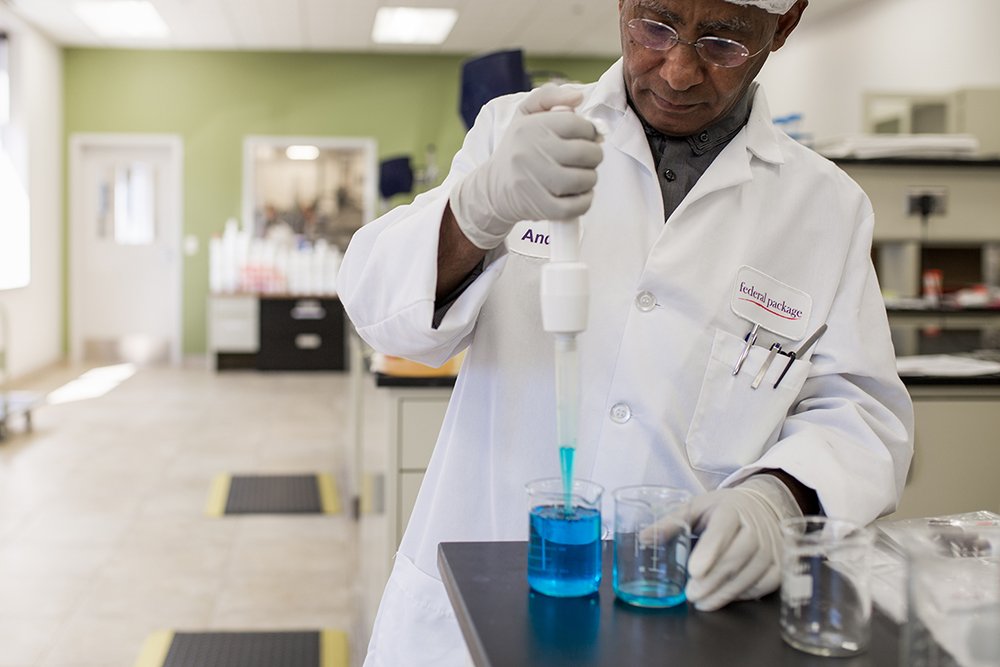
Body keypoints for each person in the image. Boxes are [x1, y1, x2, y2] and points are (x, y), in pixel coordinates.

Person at [339, 0, 914, 664]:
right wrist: (479, 206)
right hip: (475, 610)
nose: (678, 72)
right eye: (655, 27)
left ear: (782, 27)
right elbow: (378, 304)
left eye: (723, 43)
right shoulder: (517, 130)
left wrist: (779, 495)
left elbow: (862, 411)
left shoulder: (826, 207)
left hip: (685, 612)